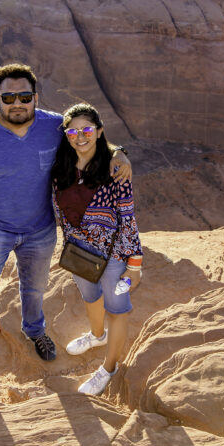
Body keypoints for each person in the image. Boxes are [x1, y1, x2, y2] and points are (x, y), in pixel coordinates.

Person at [0, 64, 131, 414]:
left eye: (25, 97)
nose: (17, 104)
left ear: (36, 98)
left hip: (40, 230)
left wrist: (118, 151)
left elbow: (87, 135)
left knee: (33, 290)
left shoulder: (52, 125)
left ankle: (34, 330)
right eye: (9, 97)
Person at [51, 103, 143, 396]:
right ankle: (96, 335)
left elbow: (128, 217)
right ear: (67, 135)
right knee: (91, 297)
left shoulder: (115, 169)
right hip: (78, 253)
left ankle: (109, 368)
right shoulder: (61, 169)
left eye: (88, 129)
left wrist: (134, 265)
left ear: (99, 131)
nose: (81, 136)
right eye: (74, 131)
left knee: (117, 311)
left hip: (115, 257)